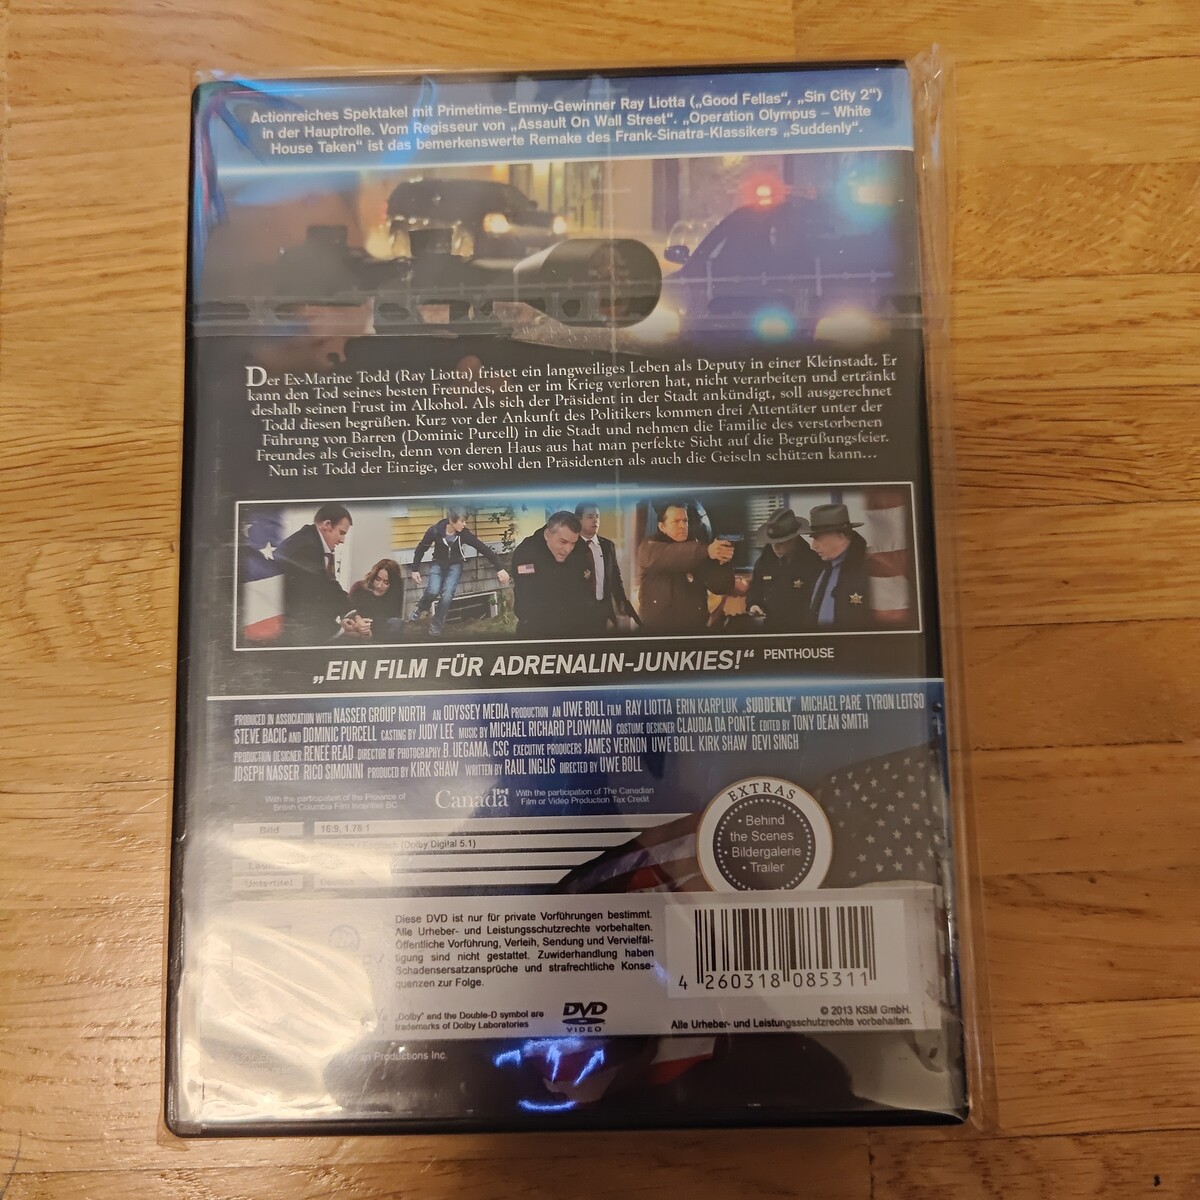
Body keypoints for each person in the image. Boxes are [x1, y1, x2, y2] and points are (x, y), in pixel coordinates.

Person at [273, 502, 372, 645]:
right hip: (285, 626)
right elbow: (310, 603)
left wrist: (354, 616)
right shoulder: (306, 548)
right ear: (327, 525)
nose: (342, 540)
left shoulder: (313, 542)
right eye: (342, 533)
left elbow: (329, 585)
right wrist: (342, 630)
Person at [636, 502, 736, 635]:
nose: (682, 526)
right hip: (657, 632)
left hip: (694, 632)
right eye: (676, 522)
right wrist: (706, 551)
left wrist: (723, 562)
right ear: (662, 526)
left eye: (685, 521)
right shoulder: (649, 548)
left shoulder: (698, 550)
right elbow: (672, 555)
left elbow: (721, 587)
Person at [409, 507, 511, 638]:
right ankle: (421, 608)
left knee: (447, 594)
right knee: (433, 591)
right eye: (462, 521)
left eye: (465, 521)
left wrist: (500, 568)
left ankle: (435, 628)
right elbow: (421, 549)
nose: (464, 524)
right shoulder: (435, 531)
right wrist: (415, 569)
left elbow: (483, 549)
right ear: (452, 521)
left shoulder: (464, 534)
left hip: (455, 565)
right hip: (438, 563)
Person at [511, 510, 594, 639]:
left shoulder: (581, 549)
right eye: (563, 542)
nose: (568, 549)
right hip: (536, 629)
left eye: (573, 543)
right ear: (547, 535)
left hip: (573, 628)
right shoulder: (526, 554)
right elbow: (530, 601)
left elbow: (584, 590)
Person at [746, 507, 822, 633]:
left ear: (794, 539)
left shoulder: (814, 563)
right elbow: (754, 590)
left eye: (780, 542)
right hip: (770, 630)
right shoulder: (764, 562)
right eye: (772, 542)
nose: (775, 547)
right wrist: (754, 605)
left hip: (802, 631)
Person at [801, 503, 872, 631]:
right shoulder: (819, 567)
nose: (813, 546)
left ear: (840, 537)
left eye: (818, 538)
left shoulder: (870, 569)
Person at [574, 502, 638, 636]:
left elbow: (615, 578)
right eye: (590, 517)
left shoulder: (608, 546)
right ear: (579, 519)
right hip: (579, 613)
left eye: (597, 516)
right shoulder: (571, 547)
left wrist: (622, 602)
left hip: (604, 611)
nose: (595, 520)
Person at [347, 558, 406, 643]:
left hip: (379, 631)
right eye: (377, 579)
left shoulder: (395, 593)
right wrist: (359, 623)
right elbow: (346, 611)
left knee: (397, 623)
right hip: (356, 628)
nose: (379, 585)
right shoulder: (358, 587)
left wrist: (370, 631)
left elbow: (394, 617)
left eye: (386, 582)